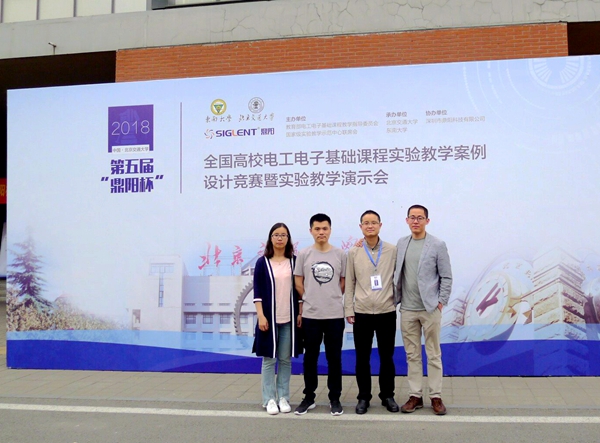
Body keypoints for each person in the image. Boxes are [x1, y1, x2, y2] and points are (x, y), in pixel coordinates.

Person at [394, 205, 452, 415]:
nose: (415, 221)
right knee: (412, 355)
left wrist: (441, 301)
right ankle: (415, 396)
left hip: (430, 309)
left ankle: (436, 396)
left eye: (420, 218)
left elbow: (446, 276)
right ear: (407, 220)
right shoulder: (402, 243)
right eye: (412, 217)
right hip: (408, 309)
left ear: (427, 221)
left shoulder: (437, 244)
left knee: (433, 354)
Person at [345, 210, 399, 414]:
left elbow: (399, 277)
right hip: (362, 312)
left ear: (380, 225)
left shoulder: (392, 250)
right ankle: (363, 397)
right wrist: (349, 309)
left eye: (373, 222)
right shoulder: (354, 252)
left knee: (387, 357)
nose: (370, 226)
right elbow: (349, 282)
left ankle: (387, 395)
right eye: (366, 223)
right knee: (362, 358)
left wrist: (397, 301)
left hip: (386, 311)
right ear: (361, 227)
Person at [294, 213, 347, 416]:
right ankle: (309, 397)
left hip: (334, 315)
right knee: (310, 358)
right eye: (317, 229)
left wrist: (331, 296)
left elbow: (343, 282)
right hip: (311, 315)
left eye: (325, 228)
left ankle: (335, 398)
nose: (321, 232)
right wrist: (309, 298)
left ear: (330, 230)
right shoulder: (304, 254)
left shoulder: (340, 254)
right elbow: (298, 282)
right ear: (311, 231)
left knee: (334, 358)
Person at [252, 222, 303, 415]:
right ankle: (269, 399)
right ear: (270, 238)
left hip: (289, 319)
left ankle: (283, 397)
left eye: (283, 235)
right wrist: (261, 316)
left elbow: (299, 290)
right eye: (276, 235)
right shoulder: (262, 262)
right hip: (269, 320)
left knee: (285, 360)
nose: (280, 238)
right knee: (269, 360)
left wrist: (300, 312)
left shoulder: (294, 262)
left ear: (288, 239)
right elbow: (257, 292)